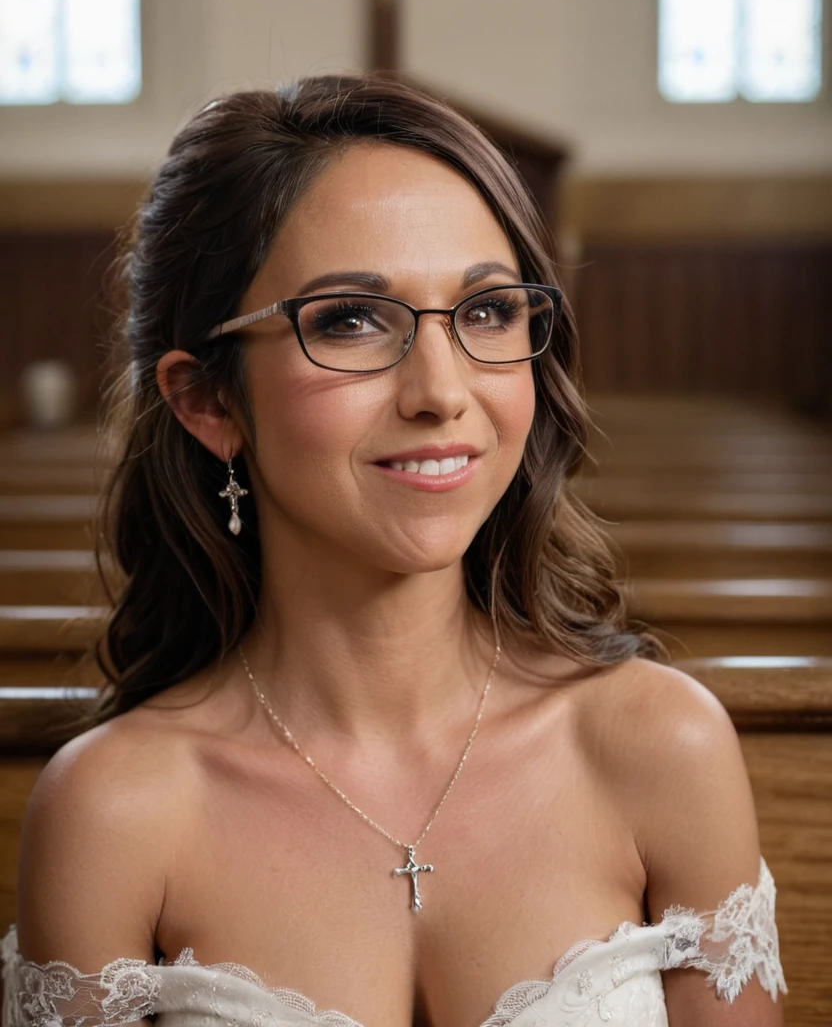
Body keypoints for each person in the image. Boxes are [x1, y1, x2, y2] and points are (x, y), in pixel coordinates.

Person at [1, 76, 786, 1027]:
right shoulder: (115, 811)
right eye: (349, 320)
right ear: (208, 401)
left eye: (488, 312)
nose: (442, 392)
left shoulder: (660, 748)